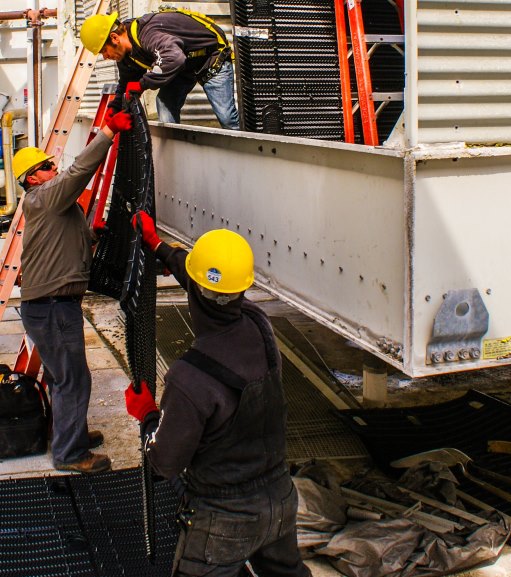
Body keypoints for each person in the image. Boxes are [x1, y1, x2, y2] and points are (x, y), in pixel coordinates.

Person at [124, 213, 311, 577]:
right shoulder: (260, 325)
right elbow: (210, 285)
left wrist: (147, 415)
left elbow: (165, 462)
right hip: (280, 500)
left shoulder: (190, 377)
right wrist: (159, 247)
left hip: (226, 519)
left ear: (193, 290)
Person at [12, 109, 133, 474]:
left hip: (47, 305)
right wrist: (108, 131)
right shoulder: (47, 196)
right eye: (47, 166)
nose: (54, 169)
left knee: (61, 376)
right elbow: (81, 170)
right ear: (33, 178)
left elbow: (71, 238)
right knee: (73, 378)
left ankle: (71, 433)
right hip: (52, 307)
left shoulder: (49, 204)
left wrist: (97, 238)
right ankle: (69, 453)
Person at [80, 10, 240, 130]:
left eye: (103, 51)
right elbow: (126, 83)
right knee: (164, 103)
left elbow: (173, 58)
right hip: (185, 66)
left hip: (210, 58)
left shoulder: (147, 34)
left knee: (226, 118)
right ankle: (175, 152)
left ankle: (246, 158)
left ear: (114, 38)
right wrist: (115, 107)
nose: (105, 57)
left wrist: (142, 84)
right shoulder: (126, 56)